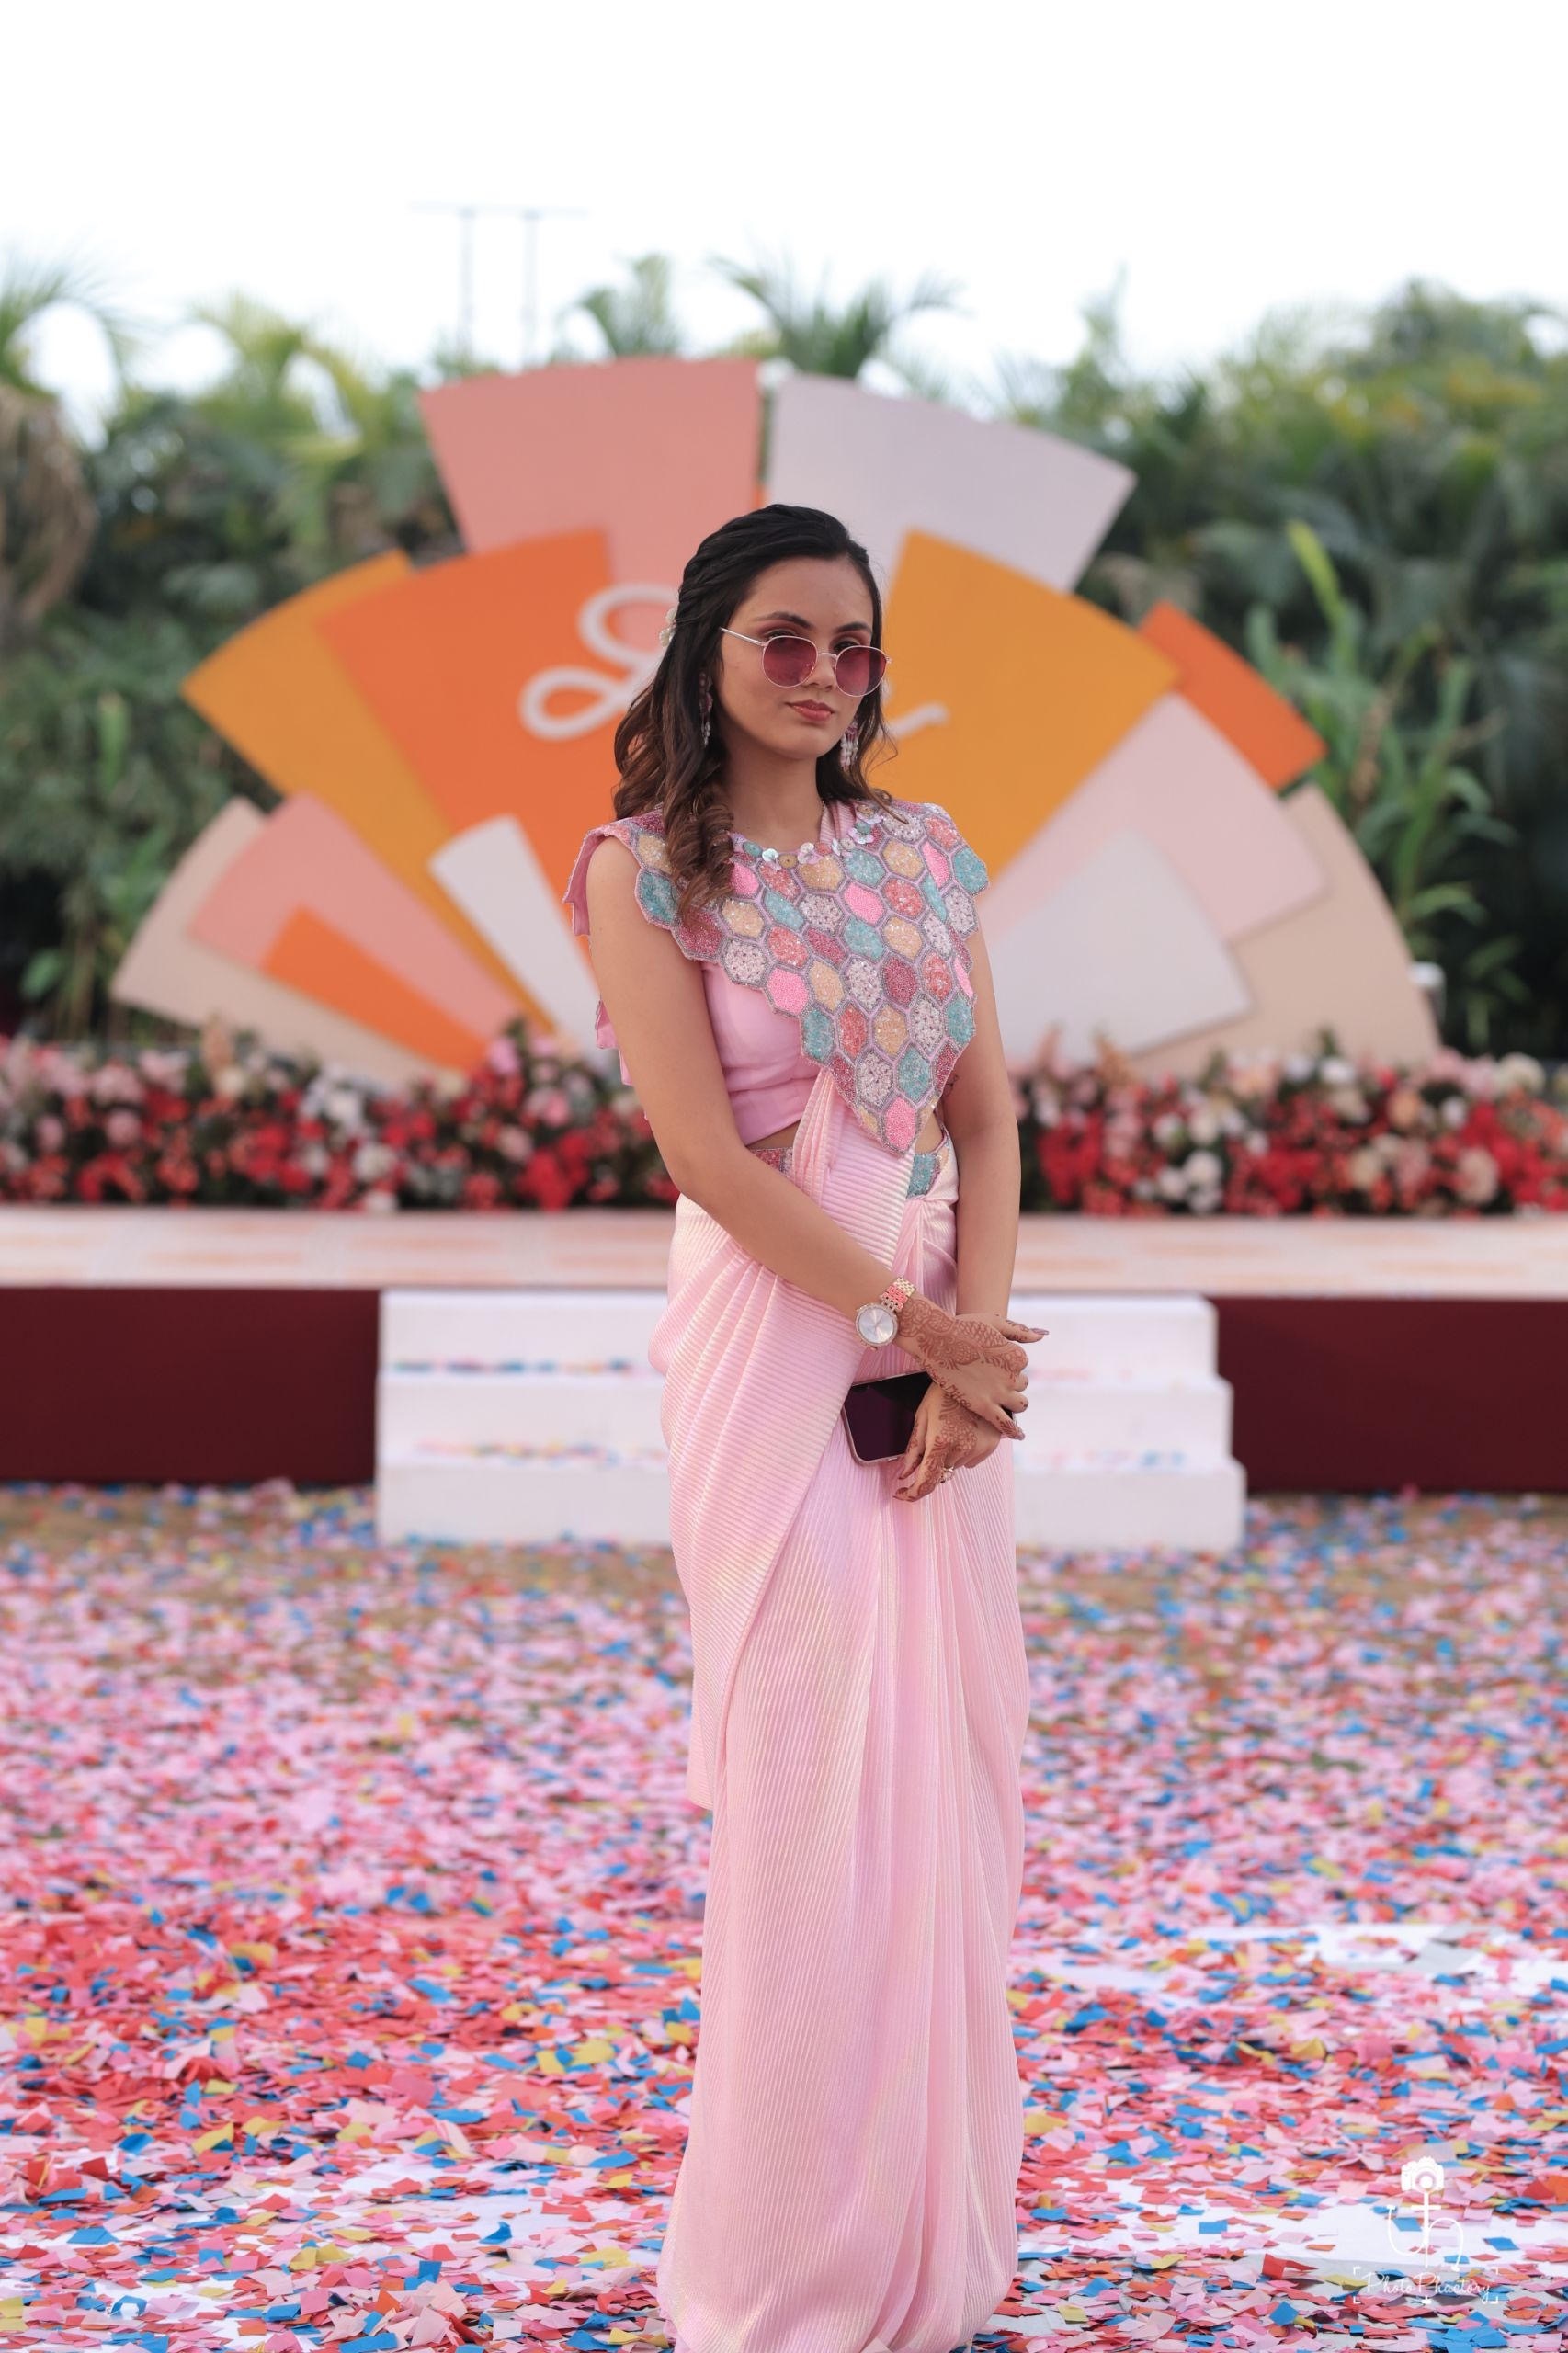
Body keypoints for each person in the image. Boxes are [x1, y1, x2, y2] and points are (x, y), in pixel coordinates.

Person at [562, 502, 1045, 2353]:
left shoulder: (919, 851)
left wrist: (969, 1353)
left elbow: (983, 1118)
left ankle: (926, 2243)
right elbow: (701, 1151)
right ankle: (782, 2270)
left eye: (851, 646)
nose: (821, 674)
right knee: (804, 1788)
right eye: (783, 638)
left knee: (937, 1783)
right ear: (705, 649)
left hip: (931, 1346)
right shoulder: (642, 873)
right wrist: (909, 1327)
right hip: (776, 1347)